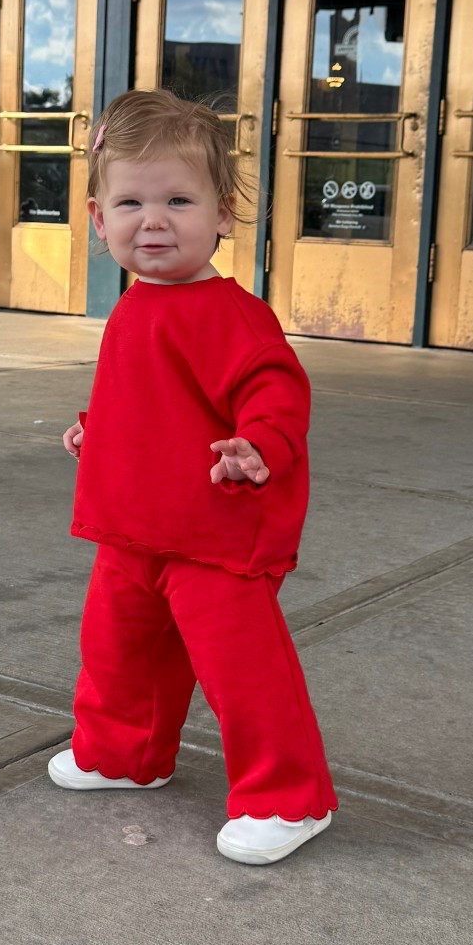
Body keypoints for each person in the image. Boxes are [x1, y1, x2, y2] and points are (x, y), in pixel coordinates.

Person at [48, 87, 338, 866]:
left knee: (244, 673)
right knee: (119, 650)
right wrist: (96, 429)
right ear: (97, 217)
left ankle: (287, 798)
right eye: (131, 201)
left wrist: (259, 446)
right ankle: (125, 753)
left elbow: (275, 391)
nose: (154, 220)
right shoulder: (134, 307)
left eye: (179, 199)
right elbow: (142, 394)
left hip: (214, 531)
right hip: (133, 524)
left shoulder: (233, 316)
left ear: (224, 213)